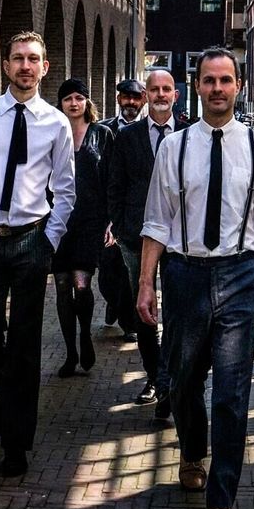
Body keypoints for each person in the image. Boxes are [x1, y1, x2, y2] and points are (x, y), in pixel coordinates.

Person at [137, 46, 254, 509]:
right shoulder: (174, 147)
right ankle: (191, 449)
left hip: (241, 274)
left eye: (226, 80)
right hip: (184, 274)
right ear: (196, 86)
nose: (217, 88)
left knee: (232, 389)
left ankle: (222, 497)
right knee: (181, 379)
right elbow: (157, 221)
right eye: (209, 80)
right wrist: (146, 283)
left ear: (239, 86)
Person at [0, 31, 75, 478]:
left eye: (33, 59)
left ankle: (15, 444)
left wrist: (49, 241)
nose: (25, 66)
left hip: (30, 240)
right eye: (18, 58)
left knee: (24, 343)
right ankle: (7, 395)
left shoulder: (56, 124)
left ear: (45, 67)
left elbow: (65, 190)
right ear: (5, 65)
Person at [105, 68, 184, 414]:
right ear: (146, 95)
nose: (161, 95)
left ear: (175, 95)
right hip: (137, 236)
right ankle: (155, 377)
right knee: (144, 307)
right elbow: (115, 185)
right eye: (155, 89)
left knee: (178, 309)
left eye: (167, 89)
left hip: (181, 239)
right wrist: (122, 228)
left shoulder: (191, 133)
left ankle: (171, 377)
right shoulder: (127, 137)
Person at [51, 78, 114, 378]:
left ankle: (85, 335)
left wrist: (111, 220)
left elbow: (113, 179)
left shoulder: (102, 135)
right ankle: (70, 352)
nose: (73, 103)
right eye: (68, 99)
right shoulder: (53, 133)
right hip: (59, 220)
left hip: (91, 220)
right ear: (61, 103)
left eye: (79, 98)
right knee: (62, 285)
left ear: (87, 102)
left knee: (81, 284)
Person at [98, 78, 148, 337]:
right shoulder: (102, 129)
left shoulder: (146, 132)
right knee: (107, 271)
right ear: (118, 99)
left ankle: (129, 324)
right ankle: (113, 302)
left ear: (143, 100)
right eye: (126, 97)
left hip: (132, 214)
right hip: (106, 210)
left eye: (135, 97)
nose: (130, 102)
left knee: (130, 271)